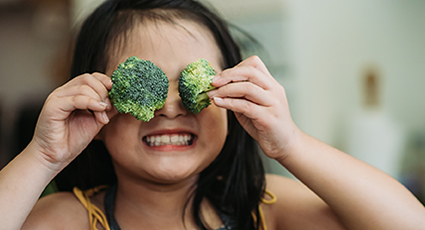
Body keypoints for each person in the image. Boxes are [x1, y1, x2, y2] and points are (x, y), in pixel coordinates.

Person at [1, 0, 424, 229]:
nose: (169, 107)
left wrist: (291, 143)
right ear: (94, 110)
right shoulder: (68, 219)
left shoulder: (267, 209)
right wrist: (43, 157)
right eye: (144, 86)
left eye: (193, 85)